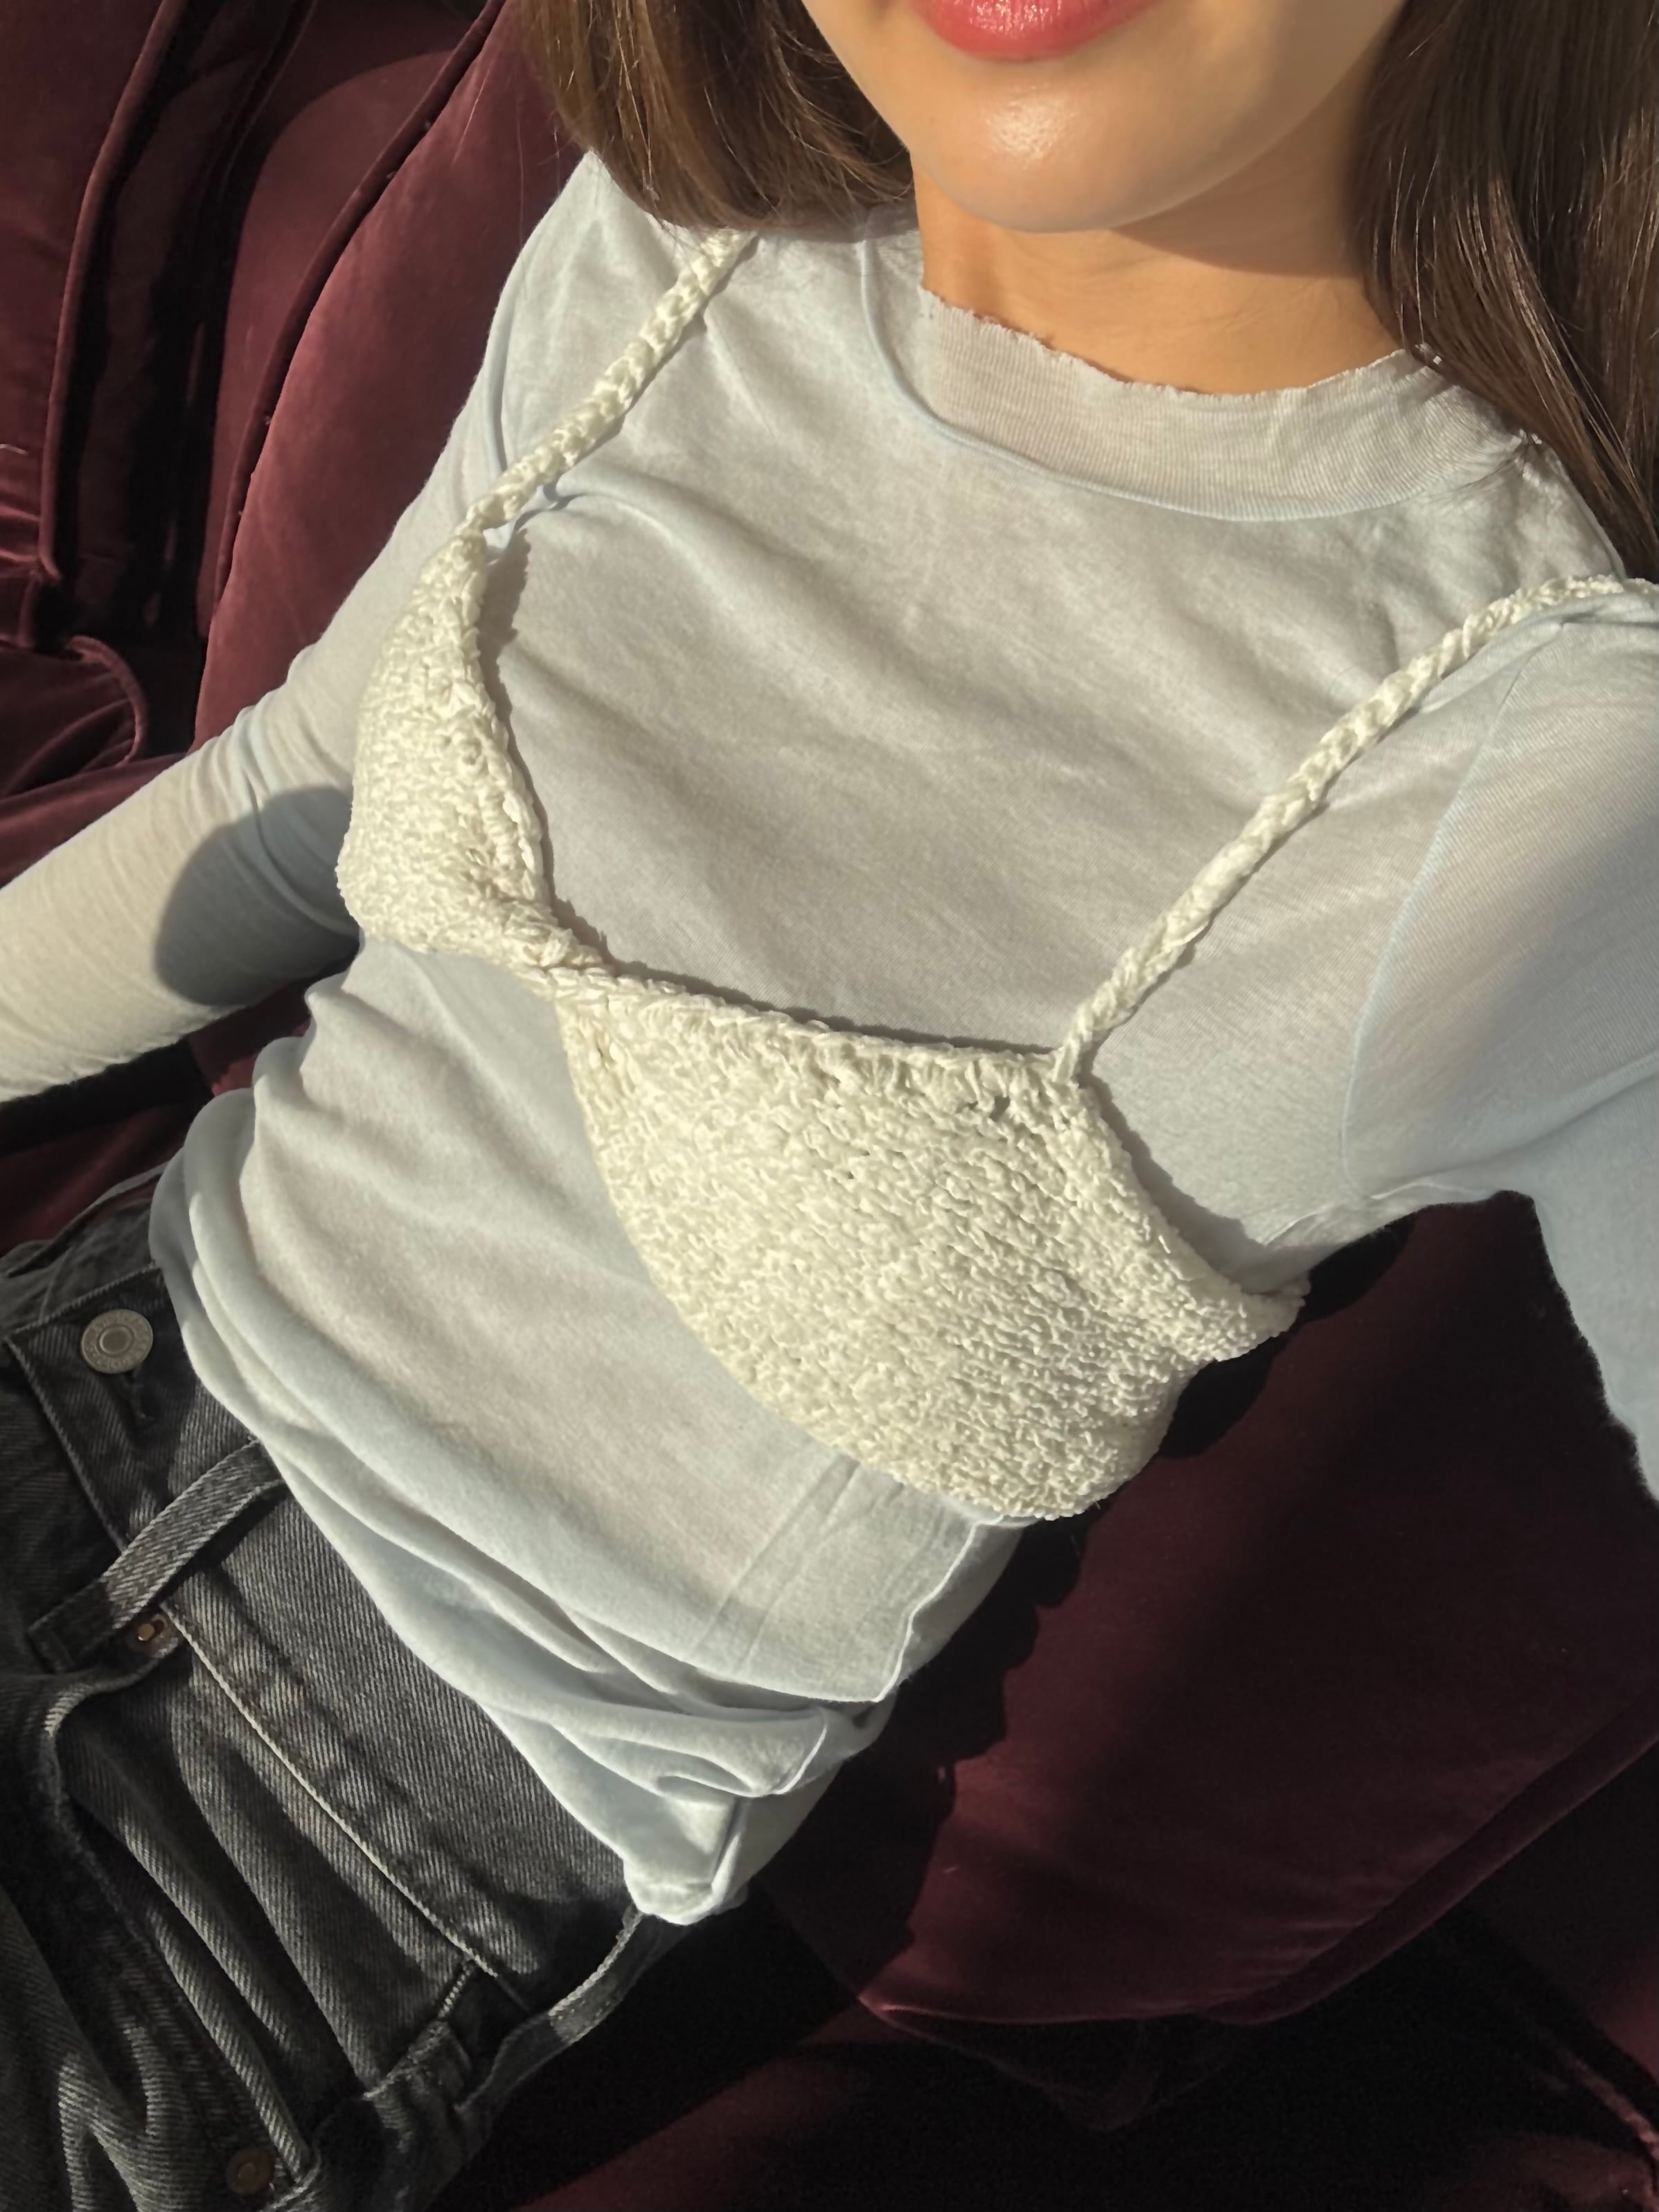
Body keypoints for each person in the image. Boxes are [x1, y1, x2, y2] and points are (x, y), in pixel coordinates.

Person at [1, 0, 1655, 2204]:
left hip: (292, 1854)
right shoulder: (677, 249)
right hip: (84, 1353)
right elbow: (303, 792)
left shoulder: (1548, 762)